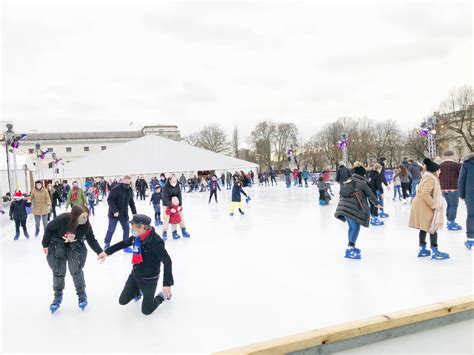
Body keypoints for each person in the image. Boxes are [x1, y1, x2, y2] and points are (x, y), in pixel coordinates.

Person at [97, 214, 173, 316]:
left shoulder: (156, 241)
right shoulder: (136, 237)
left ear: (142, 227)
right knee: (122, 301)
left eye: (133, 226)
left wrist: (167, 283)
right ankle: (138, 291)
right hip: (136, 275)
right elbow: (124, 243)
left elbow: (167, 261)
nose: (131, 228)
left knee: (146, 311)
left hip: (149, 279)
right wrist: (107, 252)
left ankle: (161, 296)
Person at [42, 204, 104, 313]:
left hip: (75, 247)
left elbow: (91, 239)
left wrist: (100, 251)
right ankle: (57, 296)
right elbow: (49, 229)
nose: (85, 219)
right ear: (75, 216)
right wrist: (45, 244)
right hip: (58, 246)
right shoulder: (62, 219)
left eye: (86, 216)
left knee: (76, 270)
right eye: (83, 217)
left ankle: (81, 295)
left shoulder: (86, 225)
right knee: (58, 271)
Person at [334, 162, 382, 259]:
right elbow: (370, 194)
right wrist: (377, 204)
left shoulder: (348, 180)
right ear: (362, 174)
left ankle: (351, 246)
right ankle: (350, 249)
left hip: (343, 207)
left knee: (352, 227)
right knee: (355, 228)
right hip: (352, 208)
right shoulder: (362, 182)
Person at [409, 158, 450, 260]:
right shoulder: (431, 179)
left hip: (420, 203)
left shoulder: (426, 177)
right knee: (433, 227)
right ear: (434, 171)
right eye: (439, 170)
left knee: (424, 227)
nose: (440, 171)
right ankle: (435, 250)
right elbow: (425, 193)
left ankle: (422, 249)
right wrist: (434, 205)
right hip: (424, 204)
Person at [104, 175, 137, 251]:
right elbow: (110, 200)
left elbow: (131, 202)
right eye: (125, 181)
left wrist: (134, 213)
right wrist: (115, 211)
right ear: (122, 181)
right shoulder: (116, 189)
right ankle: (107, 243)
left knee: (126, 229)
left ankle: (125, 246)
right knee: (111, 229)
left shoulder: (129, 190)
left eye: (128, 181)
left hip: (124, 214)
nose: (127, 183)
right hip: (113, 214)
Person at [162, 175, 190, 241]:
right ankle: (164, 233)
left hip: (176, 204)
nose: (175, 180)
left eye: (176, 179)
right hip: (167, 204)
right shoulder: (165, 187)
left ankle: (183, 230)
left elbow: (179, 195)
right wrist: (171, 207)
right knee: (166, 218)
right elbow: (165, 198)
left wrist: (180, 205)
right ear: (170, 180)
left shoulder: (177, 185)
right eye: (174, 179)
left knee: (181, 216)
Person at [439, 150, 462, 231]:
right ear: (452, 155)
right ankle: (451, 223)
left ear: (444, 156)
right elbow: (461, 176)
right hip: (453, 188)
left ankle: (449, 222)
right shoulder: (456, 165)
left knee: (449, 205)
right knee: (453, 205)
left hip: (443, 189)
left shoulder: (440, 165)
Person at [458, 152, 474, 250]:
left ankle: (470, 239)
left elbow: (461, 180)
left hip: (471, 195)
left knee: (471, 216)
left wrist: (462, 195)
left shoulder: (467, 164)